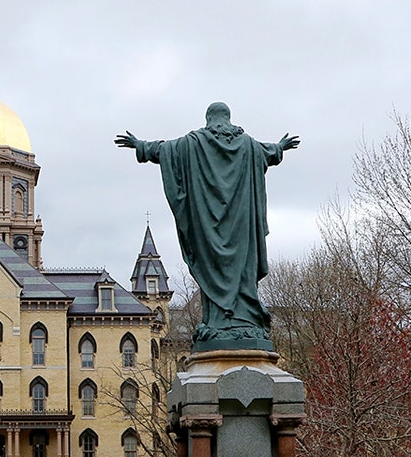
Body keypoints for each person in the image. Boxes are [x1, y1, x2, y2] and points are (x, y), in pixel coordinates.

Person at [116, 103, 300, 350]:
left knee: (212, 268)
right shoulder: (247, 145)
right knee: (243, 270)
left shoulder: (194, 143)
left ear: (209, 119)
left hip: (208, 227)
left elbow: (164, 150)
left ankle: (219, 321)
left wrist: (140, 146)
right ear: (228, 119)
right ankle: (242, 320)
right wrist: (279, 148)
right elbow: (267, 152)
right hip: (241, 226)